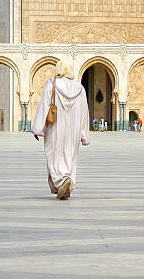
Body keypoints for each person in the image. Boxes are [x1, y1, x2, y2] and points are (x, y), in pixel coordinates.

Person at [32, 60, 90, 200]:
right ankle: (67, 185)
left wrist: (38, 128)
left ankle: (62, 180)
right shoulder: (80, 88)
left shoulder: (52, 84)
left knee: (55, 154)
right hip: (74, 129)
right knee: (70, 155)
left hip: (55, 127)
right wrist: (84, 134)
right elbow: (84, 112)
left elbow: (45, 106)